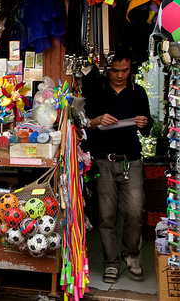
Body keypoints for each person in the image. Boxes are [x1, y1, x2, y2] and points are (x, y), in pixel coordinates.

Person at [83, 48, 152, 284]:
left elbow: (148, 127)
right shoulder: (96, 92)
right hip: (103, 161)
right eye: (115, 70)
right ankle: (111, 263)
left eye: (125, 70)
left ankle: (130, 255)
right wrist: (97, 120)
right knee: (106, 216)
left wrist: (143, 122)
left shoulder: (138, 92)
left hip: (131, 160)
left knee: (135, 212)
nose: (120, 75)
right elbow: (83, 126)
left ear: (130, 69)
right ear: (107, 68)